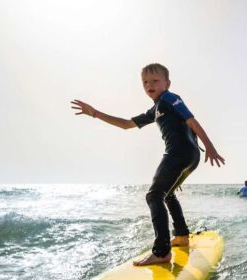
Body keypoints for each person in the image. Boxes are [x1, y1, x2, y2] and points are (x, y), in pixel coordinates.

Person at [71, 63, 225, 266]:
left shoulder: (169, 98)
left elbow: (191, 120)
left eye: (155, 80)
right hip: (188, 155)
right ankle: (181, 236)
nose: (149, 85)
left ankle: (161, 252)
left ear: (167, 83)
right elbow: (126, 124)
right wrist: (95, 113)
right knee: (167, 194)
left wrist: (210, 147)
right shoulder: (155, 109)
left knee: (154, 195)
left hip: (180, 153)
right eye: (145, 82)